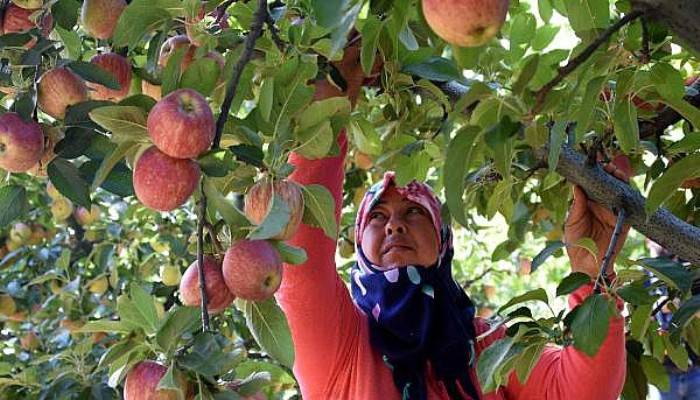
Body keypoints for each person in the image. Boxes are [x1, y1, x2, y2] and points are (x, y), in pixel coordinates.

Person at [273, 44, 629, 400]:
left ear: (443, 240)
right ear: (359, 246)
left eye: (414, 212)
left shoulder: (492, 346)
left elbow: (580, 393)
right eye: (378, 217)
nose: (394, 226)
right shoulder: (343, 343)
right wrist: (330, 104)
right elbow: (300, 260)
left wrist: (593, 277)